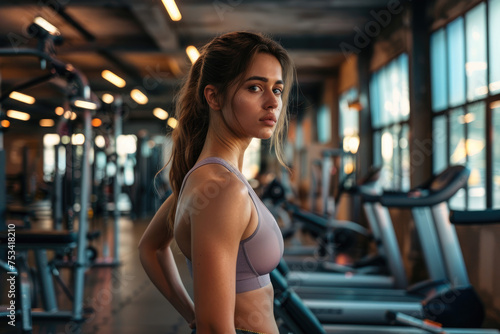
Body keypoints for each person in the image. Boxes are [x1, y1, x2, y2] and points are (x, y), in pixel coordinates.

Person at [138, 31, 295, 334]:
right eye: (254, 87)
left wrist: (191, 313)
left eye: (277, 89)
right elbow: (213, 328)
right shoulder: (222, 188)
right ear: (214, 96)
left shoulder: (210, 179)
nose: (272, 102)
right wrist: (200, 319)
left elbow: (151, 248)